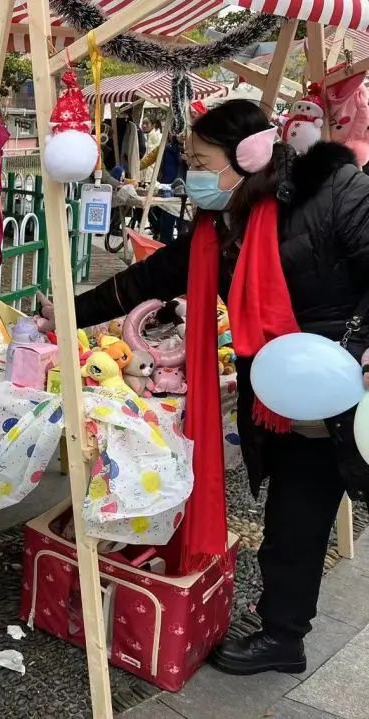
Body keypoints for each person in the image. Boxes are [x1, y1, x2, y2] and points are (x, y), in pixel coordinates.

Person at [59, 99, 369, 677]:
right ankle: (283, 627)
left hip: (340, 384)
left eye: (200, 162)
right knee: (294, 512)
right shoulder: (219, 226)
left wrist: (361, 349)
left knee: (298, 514)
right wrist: (63, 314)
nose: (191, 175)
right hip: (280, 393)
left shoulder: (334, 190)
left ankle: (282, 635)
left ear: (247, 155)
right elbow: (144, 280)